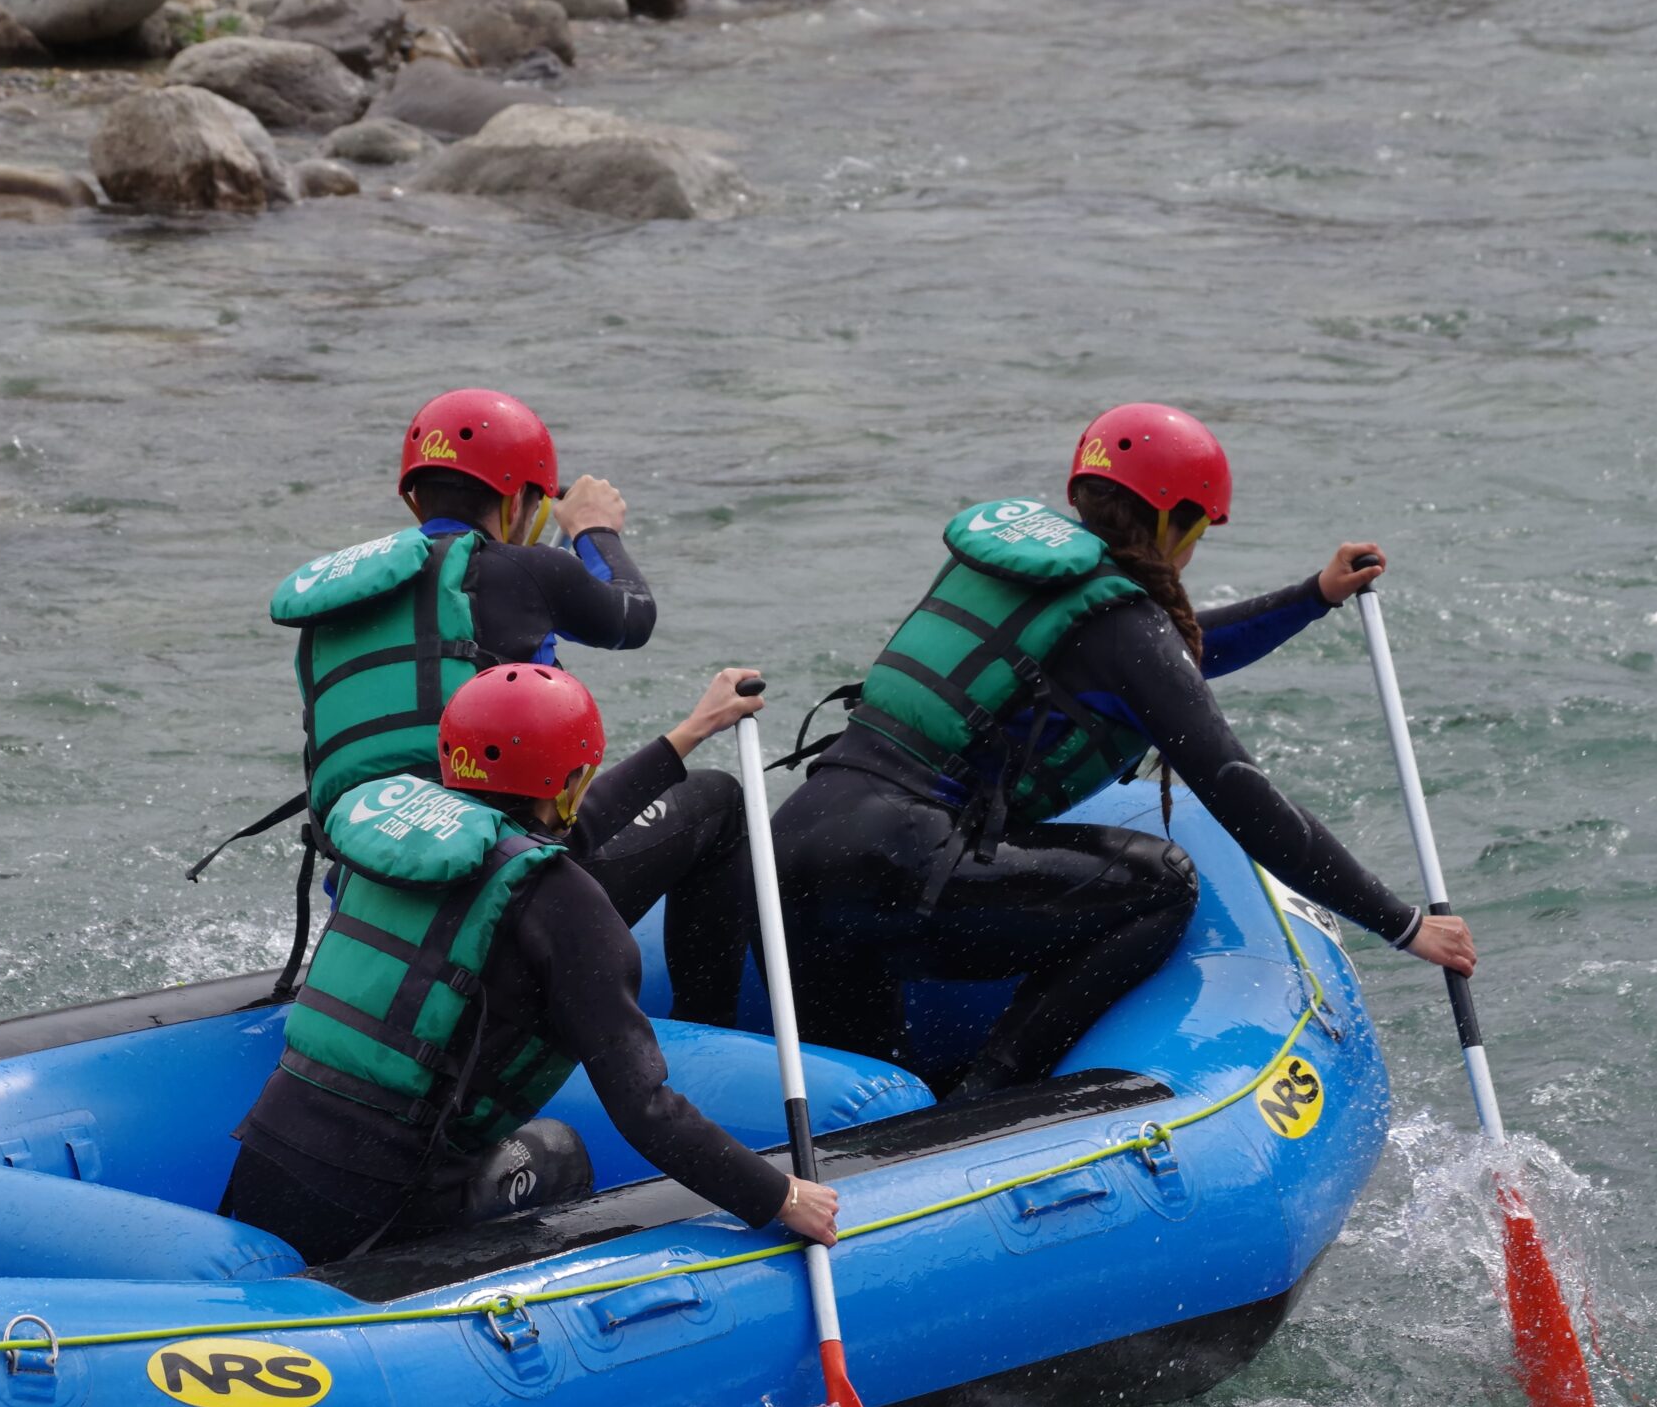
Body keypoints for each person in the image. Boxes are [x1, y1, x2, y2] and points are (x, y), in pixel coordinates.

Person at [770, 402, 1479, 1098]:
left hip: (796, 854)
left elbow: (1168, 655)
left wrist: (1312, 596)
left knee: (862, 1100)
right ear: (1174, 522)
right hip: (897, 870)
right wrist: (1404, 924)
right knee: (1160, 884)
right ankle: (990, 1096)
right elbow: (1243, 795)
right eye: (1200, 526)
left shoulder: (1029, 576)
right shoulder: (1120, 625)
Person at [219, 662, 840, 1263]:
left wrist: (690, 732)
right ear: (572, 783)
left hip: (265, 1166)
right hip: (387, 1211)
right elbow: (646, 1110)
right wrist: (780, 1195)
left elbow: (544, 832)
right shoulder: (569, 909)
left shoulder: (398, 845)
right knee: (557, 1149)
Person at [196, 386, 757, 1027]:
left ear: (413, 497)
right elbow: (631, 617)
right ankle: (710, 1035)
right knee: (717, 801)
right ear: (520, 500)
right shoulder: (525, 569)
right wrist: (593, 529)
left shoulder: (334, 610)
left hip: (368, 897)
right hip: (510, 907)